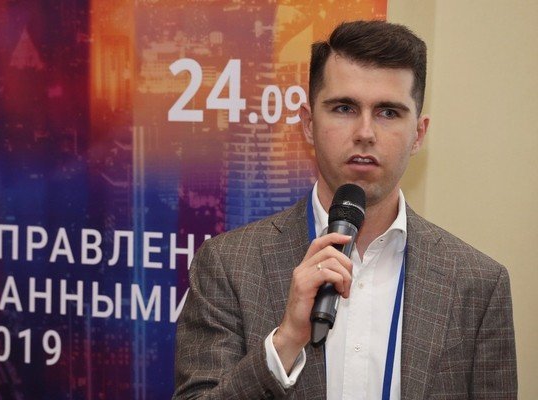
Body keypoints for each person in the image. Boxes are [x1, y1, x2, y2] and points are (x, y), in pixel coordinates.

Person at [173, 20, 517, 399]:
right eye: (344, 108)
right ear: (308, 123)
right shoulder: (229, 265)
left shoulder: (477, 285)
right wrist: (286, 341)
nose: (365, 132)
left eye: (388, 112)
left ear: (418, 134)